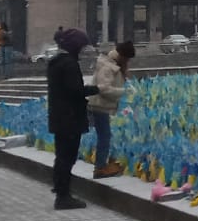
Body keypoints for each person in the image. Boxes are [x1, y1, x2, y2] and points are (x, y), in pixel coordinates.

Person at [45, 28, 95, 210]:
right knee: (67, 157)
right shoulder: (69, 65)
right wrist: (95, 89)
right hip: (70, 119)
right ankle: (63, 196)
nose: (82, 51)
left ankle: (61, 191)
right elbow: (75, 91)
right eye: (81, 47)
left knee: (61, 157)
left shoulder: (55, 63)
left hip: (59, 118)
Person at [89, 38, 134, 178]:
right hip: (98, 106)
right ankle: (100, 167)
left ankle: (103, 164)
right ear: (122, 56)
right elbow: (104, 89)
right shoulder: (108, 67)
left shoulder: (112, 64)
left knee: (105, 136)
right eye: (127, 59)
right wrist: (123, 92)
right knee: (104, 136)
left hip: (102, 106)